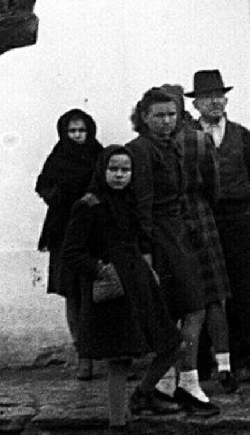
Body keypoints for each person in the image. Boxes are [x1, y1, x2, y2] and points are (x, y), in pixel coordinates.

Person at [61, 145, 183, 427]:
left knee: (171, 343)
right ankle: (118, 423)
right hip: (113, 289)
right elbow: (71, 252)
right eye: (113, 169)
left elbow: (139, 240)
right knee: (119, 360)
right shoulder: (89, 205)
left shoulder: (129, 201)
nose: (119, 175)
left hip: (139, 284)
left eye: (125, 170)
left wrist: (147, 268)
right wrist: (100, 269)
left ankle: (143, 393)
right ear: (102, 171)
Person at [125, 88, 219, 417]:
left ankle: (168, 385)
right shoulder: (139, 150)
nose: (166, 121)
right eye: (158, 115)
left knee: (191, 308)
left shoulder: (170, 146)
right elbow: (142, 206)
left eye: (171, 115)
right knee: (191, 308)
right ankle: (177, 385)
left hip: (177, 234)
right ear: (144, 118)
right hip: (159, 239)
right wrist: (148, 254)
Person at [187, 70, 250, 389]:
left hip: (239, 220)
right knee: (206, 292)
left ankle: (244, 360)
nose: (216, 102)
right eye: (208, 97)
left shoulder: (241, 134)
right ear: (197, 104)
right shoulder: (187, 135)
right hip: (203, 220)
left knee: (242, 290)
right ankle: (207, 362)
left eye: (220, 96)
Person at [156, 83, 236, 396]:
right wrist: (202, 205)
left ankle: (175, 373)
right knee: (213, 296)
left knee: (180, 301)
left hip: (171, 223)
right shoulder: (199, 140)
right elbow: (214, 186)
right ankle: (224, 364)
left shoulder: (160, 144)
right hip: (201, 218)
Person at [35, 108, 104, 380]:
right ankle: (82, 356)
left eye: (82, 131)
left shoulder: (99, 156)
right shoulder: (57, 158)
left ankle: (99, 351)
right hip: (64, 234)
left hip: (93, 234)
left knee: (94, 294)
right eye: (72, 131)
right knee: (73, 296)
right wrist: (58, 196)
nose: (77, 136)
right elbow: (42, 185)